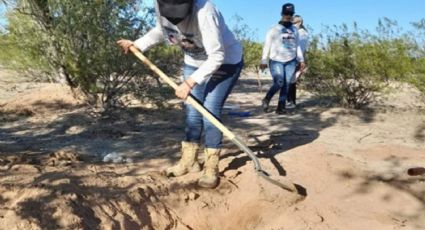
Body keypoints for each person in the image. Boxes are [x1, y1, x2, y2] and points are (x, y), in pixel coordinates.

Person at [117, 0, 243, 188]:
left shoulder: (205, 12)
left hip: (225, 62)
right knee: (192, 110)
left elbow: (217, 56)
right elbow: (162, 30)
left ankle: (211, 165)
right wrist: (138, 44)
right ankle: (189, 161)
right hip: (193, 61)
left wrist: (190, 82)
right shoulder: (160, 5)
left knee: (210, 109)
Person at [259, 3, 305, 114]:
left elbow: (297, 45)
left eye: (290, 14)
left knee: (287, 83)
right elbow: (267, 45)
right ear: (281, 14)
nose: (288, 16)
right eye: (286, 13)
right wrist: (264, 60)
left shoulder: (295, 30)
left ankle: (281, 107)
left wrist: (301, 59)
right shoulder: (274, 29)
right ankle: (267, 99)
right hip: (276, 60)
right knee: (279, 82)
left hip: (291, 60)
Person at [287, 15, 309, 108]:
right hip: (296, 59)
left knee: (290, 81)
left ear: (299, 22)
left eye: (294, 23)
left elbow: (298, 47)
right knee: (291, 81)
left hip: (295, 59)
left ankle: (291, 102)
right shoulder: (302, 33)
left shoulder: (301, 34)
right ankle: (291, 101)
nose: (292, 25)